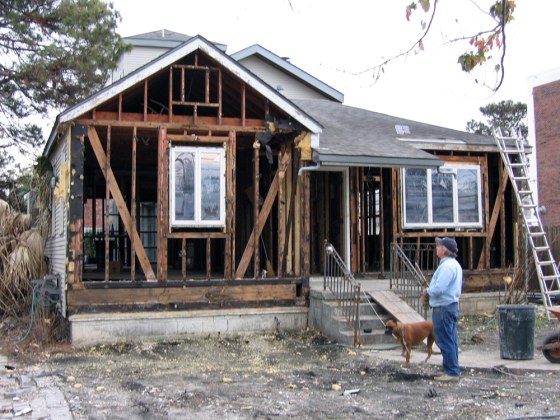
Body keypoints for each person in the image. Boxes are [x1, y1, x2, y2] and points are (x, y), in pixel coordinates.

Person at [422, 237, 463, 382]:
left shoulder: (446, 267)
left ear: (444, 250)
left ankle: (451, 372)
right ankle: (452, 368)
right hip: (450, 306)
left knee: (445, 340)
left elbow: (439, 288)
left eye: (439, 245)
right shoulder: (454, 265)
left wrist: (428, 291)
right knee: (450, 339)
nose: (436, 247)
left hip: (443, 308)